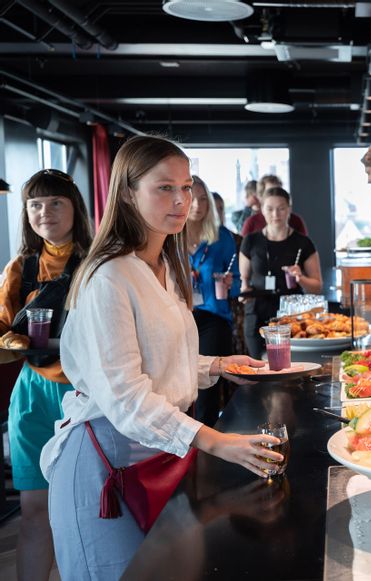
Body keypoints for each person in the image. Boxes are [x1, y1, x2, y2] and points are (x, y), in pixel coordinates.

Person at [41, 136, 283, 580]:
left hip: (156, 457)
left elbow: (155, 361)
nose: (181, 200)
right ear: (127, 193)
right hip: (103, 466)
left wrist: (217, 365)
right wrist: (216, 441)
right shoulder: (108, 276)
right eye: (165, 188)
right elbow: (126, 396)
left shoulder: (164, 266)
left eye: (186, 187)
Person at [0, 169, 92, 581]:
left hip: (86, 393)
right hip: (33, 394)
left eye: (56, 202)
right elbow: (2, 325)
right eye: (35, 205)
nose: (44, 212)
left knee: (86, 508)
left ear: (76, 209)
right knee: (35, 510)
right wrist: (11, 340)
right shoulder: (20, 268)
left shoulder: (99, 264)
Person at [239, 186, 322, 358]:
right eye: (270, 209)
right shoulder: (251, 241)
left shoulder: (303, 243)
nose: (275, 214)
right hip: (256, 313)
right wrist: (243, 292)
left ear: (289, 209)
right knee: (259, 366)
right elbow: (244, 281)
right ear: (262, 210)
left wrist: (300, 278)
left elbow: (317, 286)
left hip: (291, 315)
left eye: (281, 208)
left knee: (288, 365)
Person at [186, 176, 241, 426]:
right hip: (180, 317)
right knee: (179, 387)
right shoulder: (170, 237)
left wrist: (230, 283)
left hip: (213, 318)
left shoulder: (222, 237)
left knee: (206, 392)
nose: (197, 205)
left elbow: (237, 285)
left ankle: (205, 443)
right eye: (192, 198)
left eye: (202, 199)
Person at [240, 175, 308, 237]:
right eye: (270, 192)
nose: (276, 195)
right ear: (260, 197)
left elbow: (305, 245)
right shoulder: (251, 223)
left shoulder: (296, 221)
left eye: (279, 191)